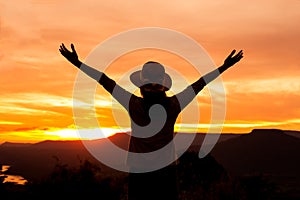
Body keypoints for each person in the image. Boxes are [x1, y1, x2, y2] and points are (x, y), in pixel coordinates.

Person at [59, 43, 243, 200]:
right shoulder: (173, 104)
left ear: (141, 87)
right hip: (166, 173)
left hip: (140, 172)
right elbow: (200, 83)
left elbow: (105, 81)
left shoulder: (134, 104)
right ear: (163, 87)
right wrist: (224, 66)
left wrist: (77, 62)